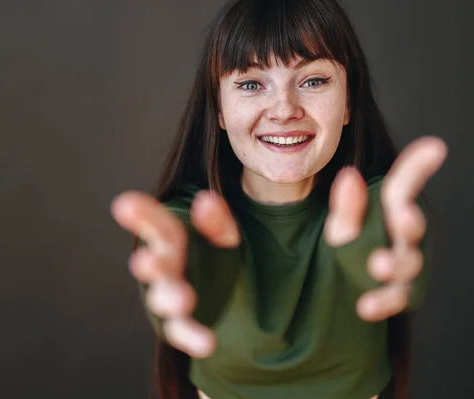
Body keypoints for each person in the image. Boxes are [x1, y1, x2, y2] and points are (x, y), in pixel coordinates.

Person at [111, 0, 447, 398]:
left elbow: (384, 231)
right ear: (218, 109)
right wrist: (187, 277)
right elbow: (177, 249)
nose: (285, 110)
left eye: (313, 80)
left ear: (348, 102)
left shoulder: (379, 209)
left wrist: (384, 257)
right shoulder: (188, 225)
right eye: (251, 84)